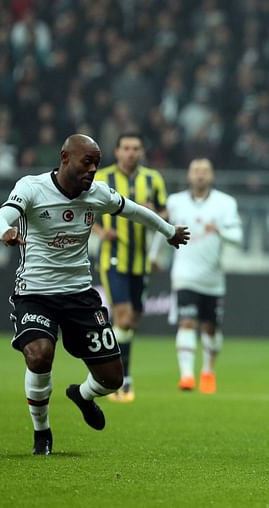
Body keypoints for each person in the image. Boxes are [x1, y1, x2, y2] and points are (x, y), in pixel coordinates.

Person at [0, 134, 190, 455]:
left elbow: (136, 211)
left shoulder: (97, 194)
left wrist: (169, 232)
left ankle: (82, 395)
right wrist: (6, 232)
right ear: (65, 158)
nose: (93, 170)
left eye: (96, 164)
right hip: (35, 293)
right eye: (87, 162)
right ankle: (42, 433)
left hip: (80, 296)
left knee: (112, 380)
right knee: (40, 355)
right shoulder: (31, 187)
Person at [153, 158, 243, 394]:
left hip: (213, 279)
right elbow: (161, 230)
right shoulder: (175, 202)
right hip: (184, 275)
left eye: (205, 171)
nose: (200, 175)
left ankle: (208, 372)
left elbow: (237, 236)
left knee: (210, 330)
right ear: (189, 175)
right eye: (196, 171)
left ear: (212, 176)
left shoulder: (226, 203)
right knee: (186, 322)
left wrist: (220, 231)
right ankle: (186, 376)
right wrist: (156, 257)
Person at [92, 133, 168, 402]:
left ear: (142, 151)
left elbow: (165, 213)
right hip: (113, 259)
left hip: (141, 261)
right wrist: (100, 232)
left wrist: (154, 213)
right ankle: (118, 379)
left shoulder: (153, 179)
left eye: (136, 148)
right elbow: (85, 210)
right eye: (126, 148)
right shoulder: (101, 178)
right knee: (123, 318)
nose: (131, 153)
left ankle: (117, 372)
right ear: (117, 151)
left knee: (131, 322)